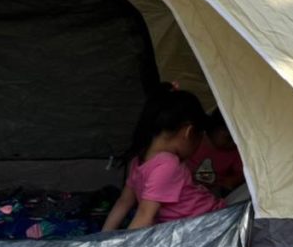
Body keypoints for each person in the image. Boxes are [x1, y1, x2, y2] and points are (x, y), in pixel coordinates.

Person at [102, 85, 225, 231]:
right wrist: (105, 240)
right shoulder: (165, 165)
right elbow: (137, 210)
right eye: (199, 138)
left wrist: (108, 238)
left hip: (208, 223)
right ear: (188, 132)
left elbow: (133, 208)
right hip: (200, 224)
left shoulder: (139, 162)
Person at [185, 108, 244, 197]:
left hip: (212, 190)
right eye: (229, 137)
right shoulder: (197, 139)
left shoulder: (234, 152)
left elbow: (240, 174)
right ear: (213, 128)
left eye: (236, 139)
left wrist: (232, 181)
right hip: (185, 182)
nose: (233, 142)